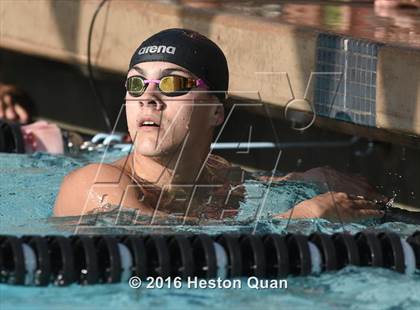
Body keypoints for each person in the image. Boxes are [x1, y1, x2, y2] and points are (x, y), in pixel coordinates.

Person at [54, 28, 386, 222]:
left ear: (216, 112)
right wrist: (301, 216)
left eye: (172, 85)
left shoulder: (214, 177)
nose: (148, 99)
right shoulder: (96, 185)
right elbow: (177, 250)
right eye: (137, 85)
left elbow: (252, 183)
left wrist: (303, 180)